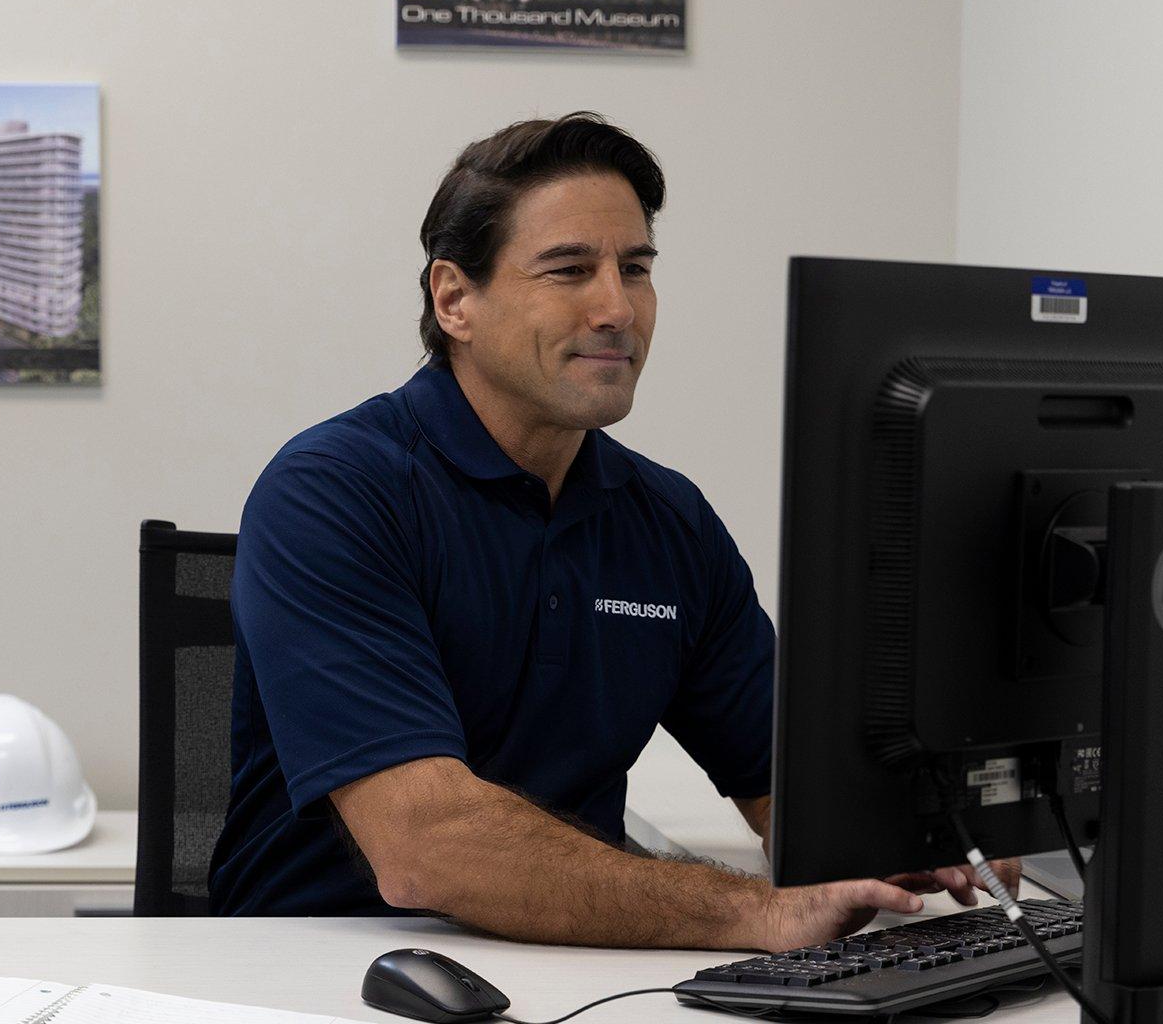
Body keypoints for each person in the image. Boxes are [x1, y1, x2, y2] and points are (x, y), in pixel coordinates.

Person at [207, 112, 1014, 950]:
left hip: (572, 970)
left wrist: (915, 839)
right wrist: (759, 910)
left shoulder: (668, 522)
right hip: (317, 974)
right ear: (455, 300)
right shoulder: (334, 492)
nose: (618, 307)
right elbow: (426, 849)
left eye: (636, 268)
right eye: (568, 270)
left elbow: (801, 796)